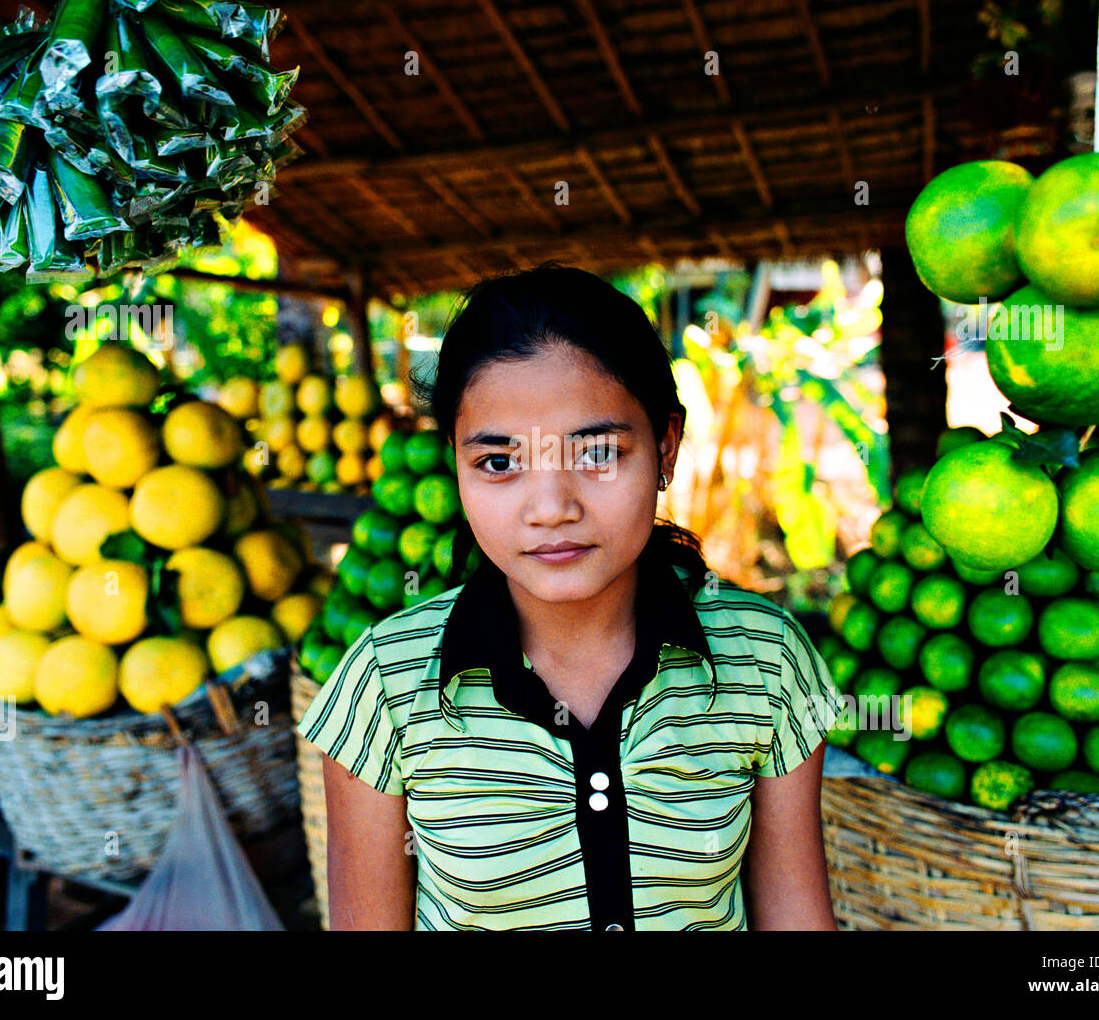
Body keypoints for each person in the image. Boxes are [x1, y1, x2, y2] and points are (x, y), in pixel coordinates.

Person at [296, 262, 847, 931]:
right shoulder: (384, 683)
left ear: (666, 447)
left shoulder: (768, 660)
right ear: (456, 464)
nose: (551, 507)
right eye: (499, 463)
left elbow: (795, 918)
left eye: (598, 453)